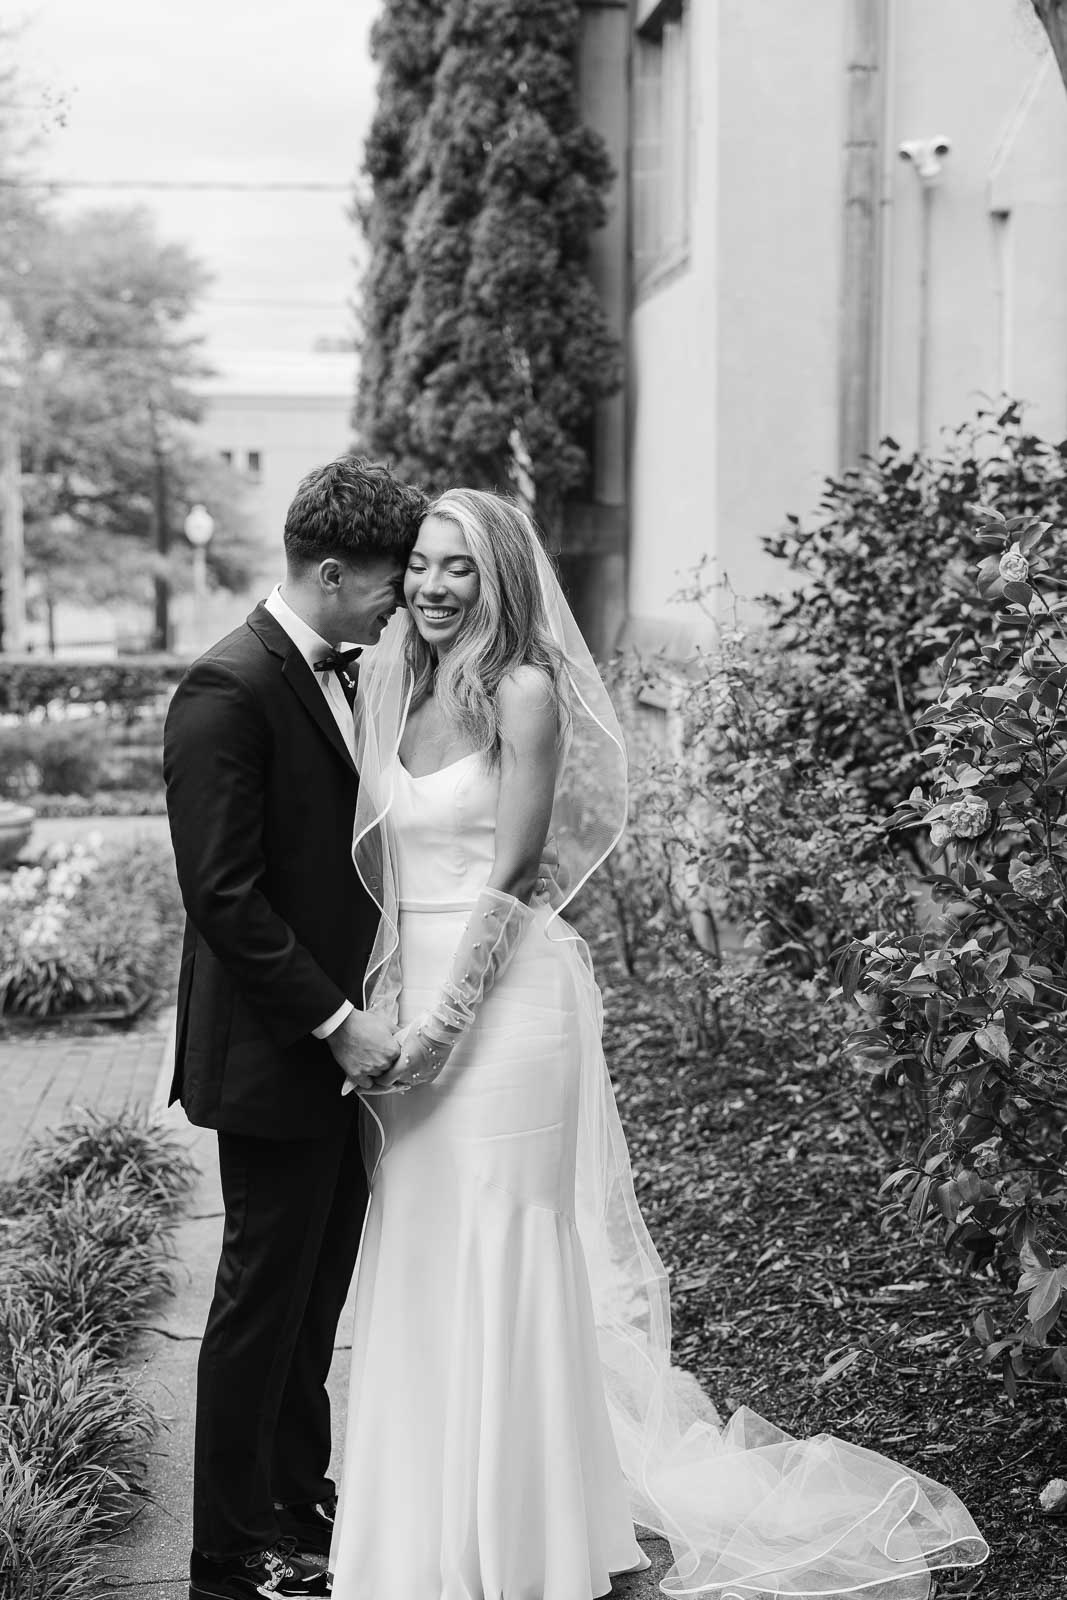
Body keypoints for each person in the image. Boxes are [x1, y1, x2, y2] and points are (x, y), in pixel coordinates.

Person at [328, 487, 989, 1600]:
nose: (437, 588)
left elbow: (514, 875)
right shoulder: (394, 683)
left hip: (504, 1015)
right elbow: (391, 875)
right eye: (425, 566)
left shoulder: (521, 692)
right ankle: (418, 1534)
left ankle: (524, 1539)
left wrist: (444, 1023)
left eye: (461, 570)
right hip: (409, 1021)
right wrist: (385, 1006)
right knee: (422, 1251)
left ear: (498, 579)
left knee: (504, 1246)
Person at [163, 456, 427, 1600]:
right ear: (329, 570)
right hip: (278, 1052)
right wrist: (336, 1022)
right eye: (387, 581)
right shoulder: (225, 686)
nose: (400, 601)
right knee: (261, 1299)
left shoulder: (349, 672)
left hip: (344, 1049)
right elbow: (222, 894)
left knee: (317, 1292)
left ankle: (298, 1492)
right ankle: (226, 1547)